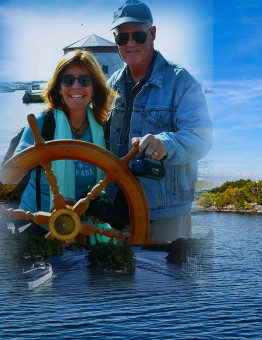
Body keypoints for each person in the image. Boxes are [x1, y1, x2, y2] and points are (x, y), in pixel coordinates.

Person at [104, 0, 212, 242]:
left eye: (138, 36)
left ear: (152, 33)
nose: (130, 43)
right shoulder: (112, 85)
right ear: (115, 40)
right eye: (122, 38)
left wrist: (166, 144)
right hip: (117, 211)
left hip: (164, 215)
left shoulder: (181, 82)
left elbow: (202, 138)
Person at [13, 49, 117, 243]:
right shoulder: (42, 125)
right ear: (59, 88)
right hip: (36, 226)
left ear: (94, 88)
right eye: (68, 80)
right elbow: (12, 173)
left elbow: (110, 178)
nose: (76, 86)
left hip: (78, 227)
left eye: (84, 80)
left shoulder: (103, 130)